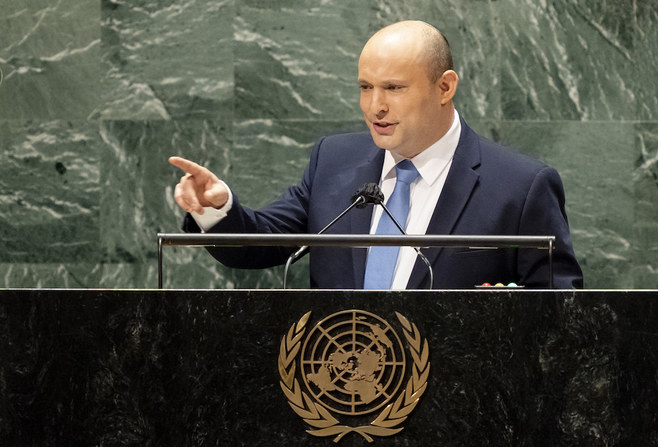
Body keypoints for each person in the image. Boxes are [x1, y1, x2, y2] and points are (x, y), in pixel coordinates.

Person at [170, 20, 583, 289]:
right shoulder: (333, 160)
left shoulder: (521, 186)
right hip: (336, 399)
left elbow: (566, 312)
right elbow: (260, 245)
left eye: (394, 88)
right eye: (366, 88)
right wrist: (216, 209)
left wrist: (517, 315)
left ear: (445, 87)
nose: (374, 107)